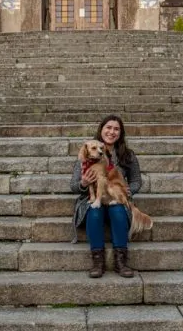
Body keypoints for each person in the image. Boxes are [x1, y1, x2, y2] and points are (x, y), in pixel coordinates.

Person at [70, 114, 142, 279]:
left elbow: (137, 181)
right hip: (92, 199)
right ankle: (97, 261)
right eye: (108, 128)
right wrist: (83, 182)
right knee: (94, 213)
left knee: (117, 210)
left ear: (120, 133)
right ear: (101, 130)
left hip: (116, 196)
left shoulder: (128, 155)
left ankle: (121, 261)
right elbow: (73, 186)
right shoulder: (87, 154)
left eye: (116, 129)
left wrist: (129, 189)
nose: (112, 132)